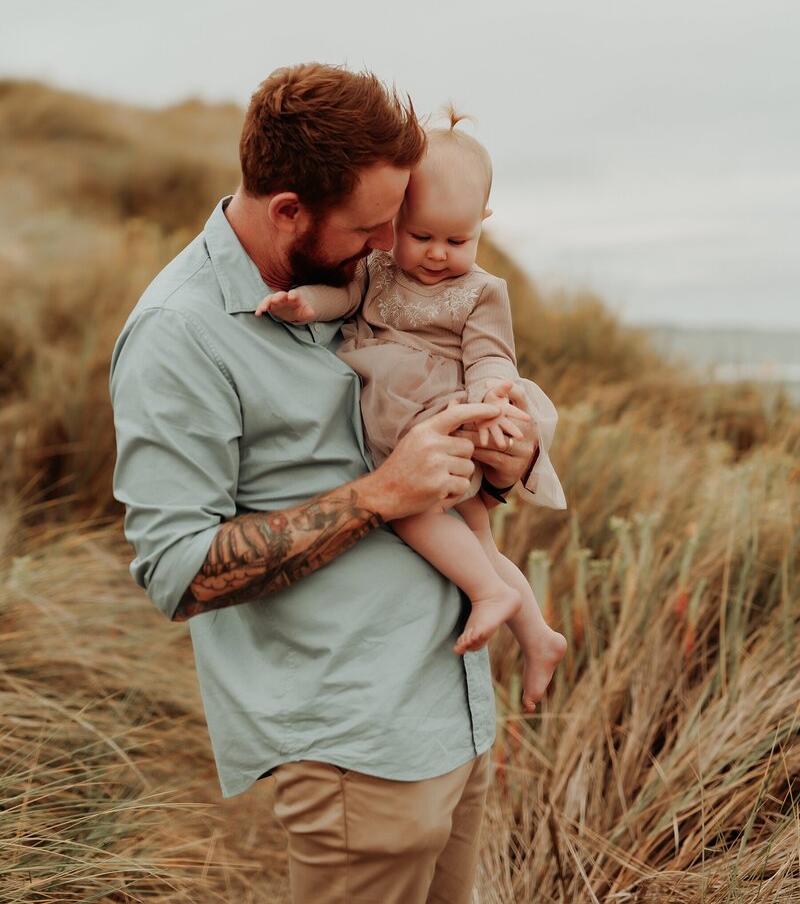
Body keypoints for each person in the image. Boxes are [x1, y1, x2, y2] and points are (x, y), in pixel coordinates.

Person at [110, 63, 541, 904]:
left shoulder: (355, 286)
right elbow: (177, 569)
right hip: (355, 748)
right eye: (375, 227)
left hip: (448, 711)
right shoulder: (179, 335)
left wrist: (511, 462)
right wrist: (381, 494)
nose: (392, 248)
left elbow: (452, 396)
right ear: (288, 212)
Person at [256, 110, 567, 712]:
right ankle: (536, 635)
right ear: (395, 218)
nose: (436, 254)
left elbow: (490, 356)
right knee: (477, 536)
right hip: (405, 415)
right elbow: (342, 297)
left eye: (458, 240)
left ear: (484, 224)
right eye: (421, 235)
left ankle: (487, 595)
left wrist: (494, 397)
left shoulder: (482, 291)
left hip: (441, 416)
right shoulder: (375, 269)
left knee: (408, 512)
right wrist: (305, 304)